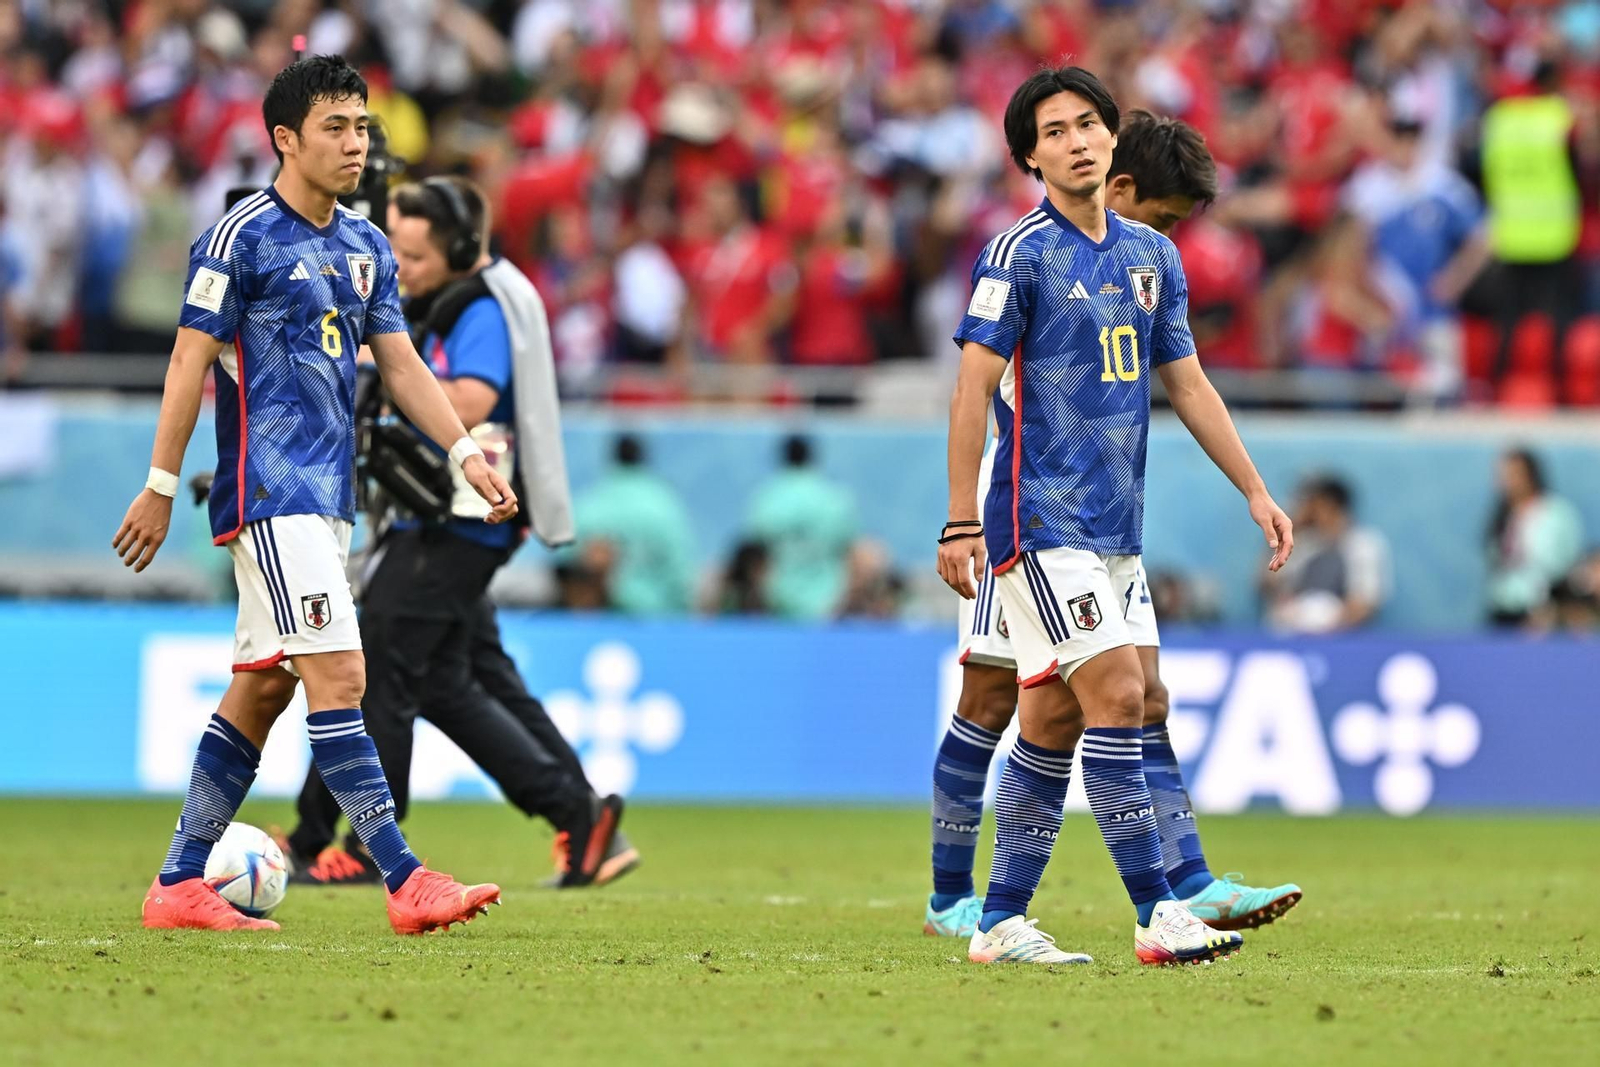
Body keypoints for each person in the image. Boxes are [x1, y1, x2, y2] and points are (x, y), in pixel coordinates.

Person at [112, 56, 515, 934]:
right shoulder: (239, 236)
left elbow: (401, 364)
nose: (356, 143)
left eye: (363, 127)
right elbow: (189, 358)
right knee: (342, 673)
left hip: (329, 500)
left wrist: (461, 452)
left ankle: (180, 883)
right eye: (335, 127)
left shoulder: (367, 246)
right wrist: (159, 483)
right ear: (284, 139)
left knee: (262, 690)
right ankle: (405, 879)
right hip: (269, 491)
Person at [935, 75, 1298, 967]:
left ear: (1109, 139)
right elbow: (973, 386)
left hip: (1114, 528)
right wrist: (958, 522)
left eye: (1088, 124)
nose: (1077, 141)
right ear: (1031, 157)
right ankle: (1157, 912)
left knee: (1057, 719)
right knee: (1120, 697)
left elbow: (1189, 381)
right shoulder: (1017, 253)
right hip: (1037, 516)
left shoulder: (1152, 256)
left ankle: (998, 919)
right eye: (1054, 132)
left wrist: (1253, 487)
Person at [278, 175, 634, 890]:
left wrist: (374, 360)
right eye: (396, 252)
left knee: (380, 662)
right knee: (452, 680)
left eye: (414, 255)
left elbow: (472, 397)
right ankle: (579, 812)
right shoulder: (458, 297)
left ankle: (354, 836)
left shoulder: (477, 307)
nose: (400, 268)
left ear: (460, 249)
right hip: (453, 515)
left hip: (461, 515)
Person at [571, 435, 696, 615]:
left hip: (602, 622)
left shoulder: (591, 502)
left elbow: (568, 563)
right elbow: (681, 573)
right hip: (658, 619)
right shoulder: (666, 506)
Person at [745, 435, 858, 620]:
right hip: (828, 601)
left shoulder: (767, 499)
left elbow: (755, 553)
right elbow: (849, 551)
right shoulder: (833, 499)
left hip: (779, 601)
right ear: (812, 459)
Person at [1264, 475, 1391, 633]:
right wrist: (1283, 535)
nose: (1309, 513)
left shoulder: (1364, 544)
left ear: (1332, 507)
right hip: (1294, 633)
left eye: (1314, 506)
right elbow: (1268, 584)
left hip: (1344, 635)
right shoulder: (1303, 541)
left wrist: (1328, 622)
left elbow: (1365, 602)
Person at [1486, 448, 1585, 626]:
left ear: (1530, 475)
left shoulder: (1556, 513)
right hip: (1504, 607)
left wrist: (1555, 605)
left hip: (1543, 611)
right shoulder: (1502, 515)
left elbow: (1569, 563)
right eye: (1503, 475)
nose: (1507, 481)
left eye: (1513, 474)